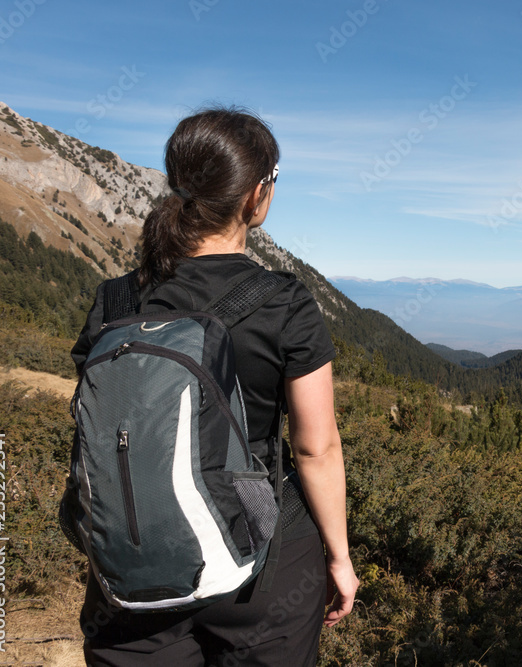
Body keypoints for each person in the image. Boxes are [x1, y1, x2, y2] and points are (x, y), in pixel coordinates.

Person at [69, 107, 358, 666]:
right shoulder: (284, 302)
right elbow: (315, 448)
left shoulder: (116, 299)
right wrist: (340, 559)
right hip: (262, 559)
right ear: (256, 196)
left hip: (138, 556)